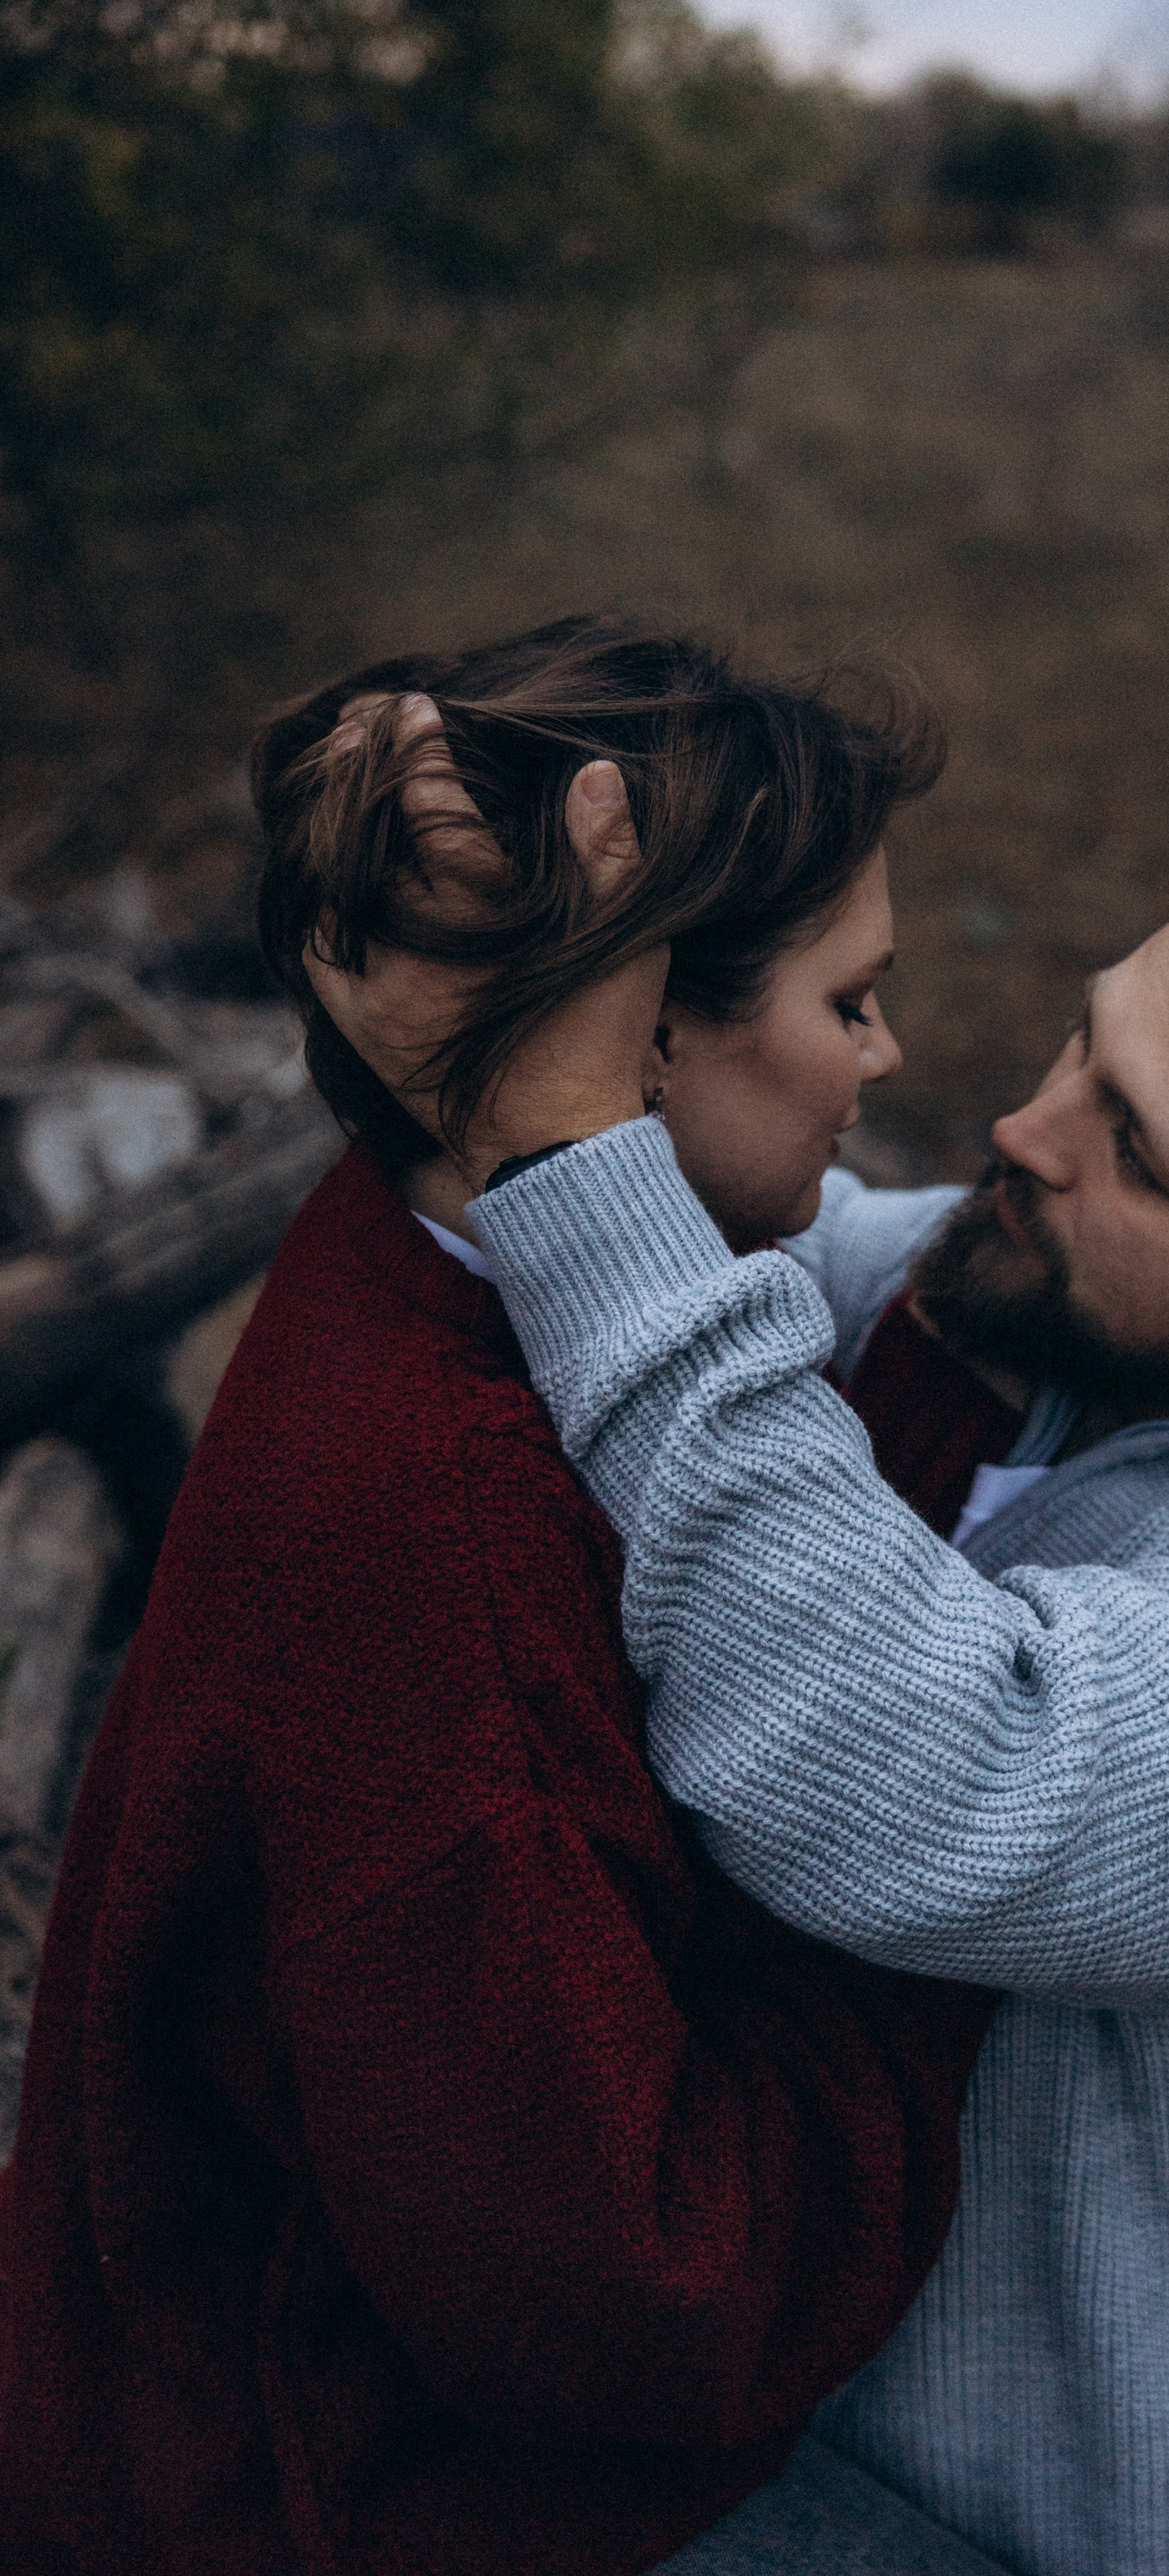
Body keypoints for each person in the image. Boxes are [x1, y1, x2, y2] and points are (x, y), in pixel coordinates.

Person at [313, 750, 1169, 2576]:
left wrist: (565, 1159)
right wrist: (494, 930)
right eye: (1087, 1045)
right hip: (785, 2398)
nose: (1026, 1128)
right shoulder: (1033, 1293)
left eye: (1133, 1148)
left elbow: (927, 1782)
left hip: (1095, 2527)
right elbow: (725, 1275)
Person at [0, 619, 1009, 2576]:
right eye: (852, 999)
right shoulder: (441, 1531)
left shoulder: (410, 1249)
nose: (886, 1059)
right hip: (318, 2491)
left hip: (266, 2364)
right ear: (627, 1039)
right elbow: (631, 2298)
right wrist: (931, 1931)